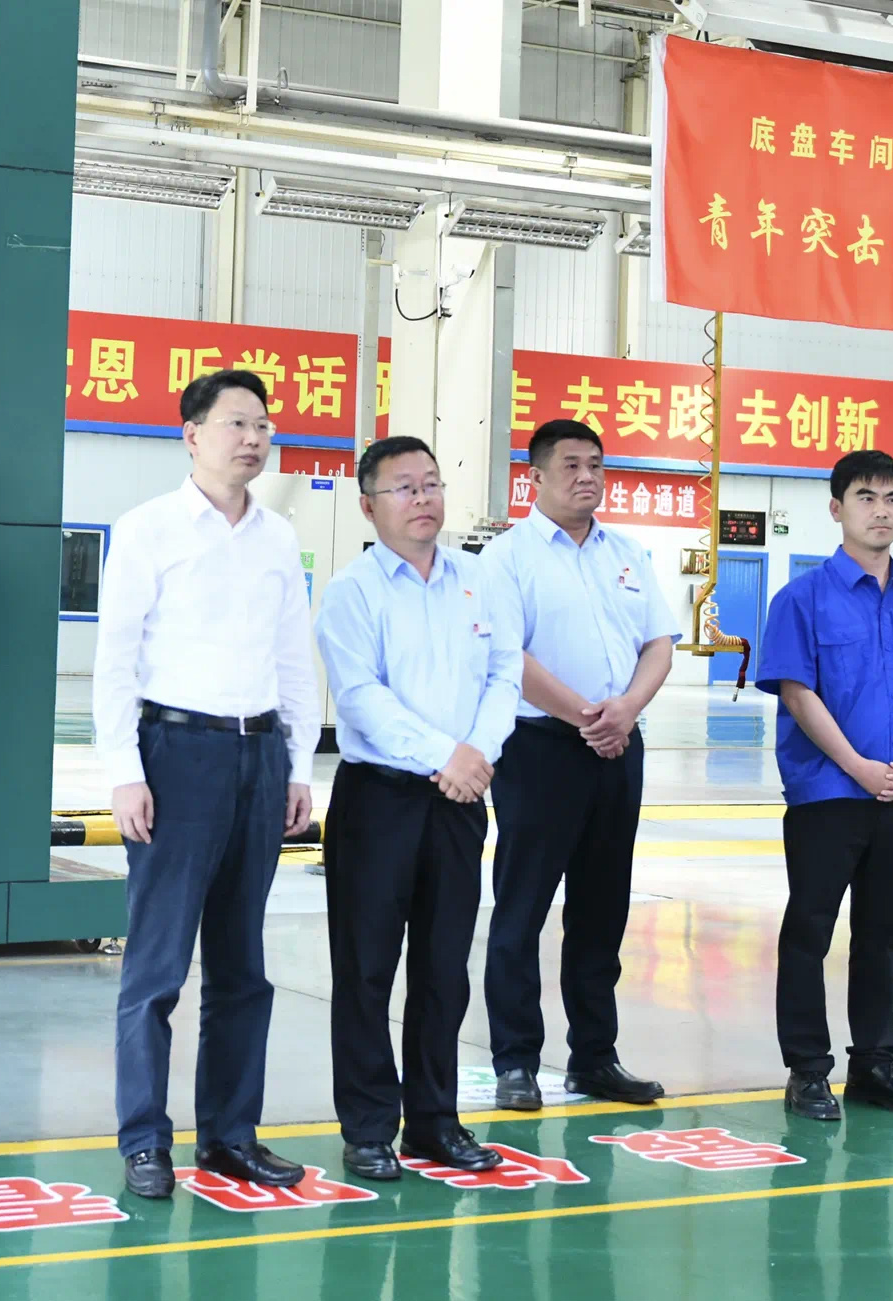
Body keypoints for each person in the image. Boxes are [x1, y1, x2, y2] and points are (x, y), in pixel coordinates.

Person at [93, 368, 320, 1199]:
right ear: (191, 435)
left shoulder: (278, 536)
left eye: (263, 424)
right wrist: (125, 772)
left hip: (259, 757)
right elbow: (115, 660)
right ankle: (145, 1139)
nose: (254, 438)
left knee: (242, 966)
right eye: (236, 423)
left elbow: (294, 660)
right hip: (176, 753)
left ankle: (230, 1136)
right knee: (157, 966)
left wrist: (298, 766)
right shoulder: (147, 529)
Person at [314, 436, 522, 1181]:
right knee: (366, 969)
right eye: (404, 487)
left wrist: (478, 754)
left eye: (432, 483)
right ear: (369, 506)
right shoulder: (352, 591)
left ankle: (436, 1121)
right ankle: (369, 1125)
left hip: (460, 799)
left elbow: (505, 673)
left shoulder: (479, 578)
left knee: (444, 969)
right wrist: (447, 755)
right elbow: (360, 698)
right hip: (381, 799)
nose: (423, 498)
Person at [754, 449, 893, 1121]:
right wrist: (858, 766)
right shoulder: (802, 600)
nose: (882, 511)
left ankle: (874, 1065)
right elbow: (798, 694)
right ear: (836, 508)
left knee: (883, 933)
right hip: (828, 795)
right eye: (866, 498)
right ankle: (807, 1070)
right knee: (810, 930)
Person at [480, 419, 681, 1112]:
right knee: (522, 908)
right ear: (535, 476)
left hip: (619, 749)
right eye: (571, 465)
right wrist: (587, 717)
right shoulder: (506, 558)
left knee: (602, 910)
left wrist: (625, 710)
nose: (588, 476)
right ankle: (515, 1061)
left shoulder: (626, 553)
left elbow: (659, 643)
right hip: (539, 750)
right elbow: (506, 656)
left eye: (596, 464)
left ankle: (595, 1057)